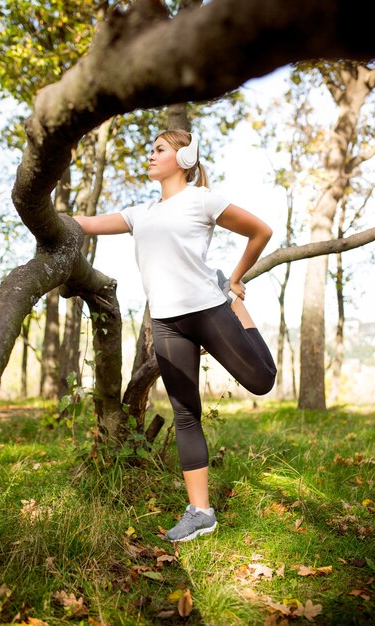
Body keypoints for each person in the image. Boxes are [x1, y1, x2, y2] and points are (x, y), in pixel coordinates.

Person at [73, 129, 277, 543]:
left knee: (261, 381)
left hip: (208, 308)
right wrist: (44, 215)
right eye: (151, 150)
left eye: (159, 150)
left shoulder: (202, 200)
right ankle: (200, 512)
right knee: (186, 414)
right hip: (166, 323)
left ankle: (237, 303)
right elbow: (85, 224)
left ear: (184, 158)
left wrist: (235, 282)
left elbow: (261, 231)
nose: (150, 156)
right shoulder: (140, 213)